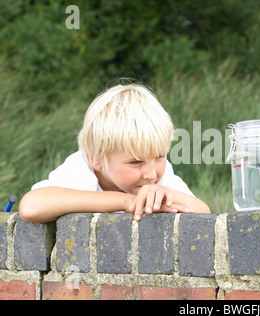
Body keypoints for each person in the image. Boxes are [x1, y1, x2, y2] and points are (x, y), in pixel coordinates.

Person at [19, 81, 210, 223]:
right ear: (95, 158)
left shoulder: (157, 174)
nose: (151, 173)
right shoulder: (81, 170)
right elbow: (30, 207)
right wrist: (127, 201)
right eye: (136, 162)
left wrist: (166, 193)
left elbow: (203, 213)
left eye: (160, 156)